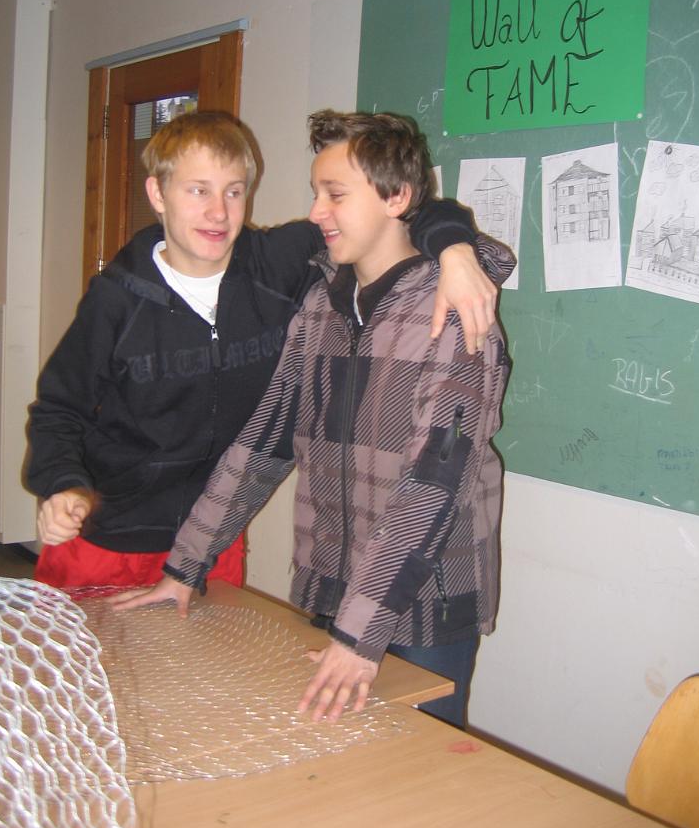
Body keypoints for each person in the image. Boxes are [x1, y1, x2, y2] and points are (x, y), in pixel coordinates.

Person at [112, 110, 514, 729]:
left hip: (423, 606)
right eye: (315, 192)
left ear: (397, 198)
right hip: (332, 592)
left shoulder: (456, 312)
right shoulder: (321, 304)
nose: (316, 212)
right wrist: (185, 566)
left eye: (334, 194)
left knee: (420, 773)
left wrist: (359, 634)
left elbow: (434, 484)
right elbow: (265, 441)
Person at [26, 110, 499, 592]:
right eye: (198, 190)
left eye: (233, 192)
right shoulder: (116, 298)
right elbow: (58, 409)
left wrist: (455, 251)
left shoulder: (277, 264)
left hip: (210, 540)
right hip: (107, 536)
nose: (219, 212)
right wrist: (63, 484)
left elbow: (395, 210)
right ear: (157, 194)